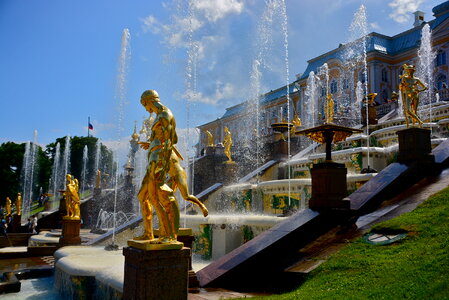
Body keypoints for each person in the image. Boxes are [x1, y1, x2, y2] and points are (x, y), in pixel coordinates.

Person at [136, 89, 180, 243]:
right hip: (153, 158)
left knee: (160, 197)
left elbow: (171, 141)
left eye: (144, 104)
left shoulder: (164, 114)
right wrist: (151, 144)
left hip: (159, 160)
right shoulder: (158, 117)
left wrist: (164, 165)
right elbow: (161, 139)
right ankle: (148, 234)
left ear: (149, 101)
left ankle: (170, 235)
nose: (145, 108)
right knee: (143, 196)